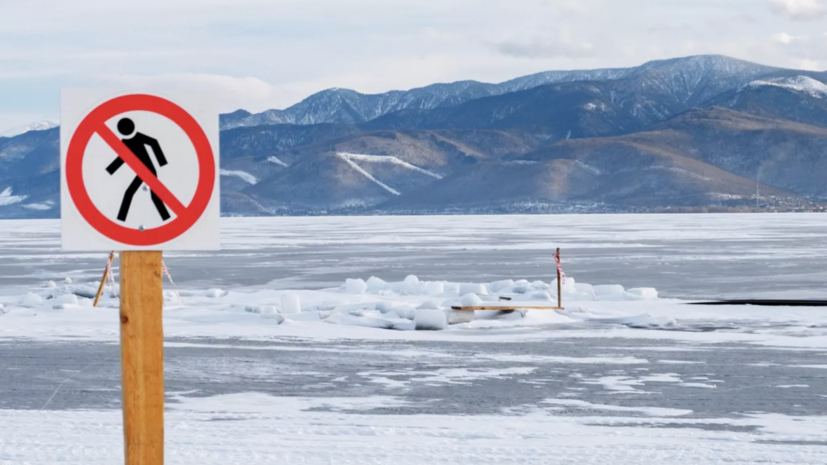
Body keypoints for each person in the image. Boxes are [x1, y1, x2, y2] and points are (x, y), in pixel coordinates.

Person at [106, 117, 170, 222]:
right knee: (131, 193)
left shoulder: (137, 137)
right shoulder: (125, 142)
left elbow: (153, 142)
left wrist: (162, 162)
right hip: (142, 172)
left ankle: (121, 218)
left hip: (149, 171)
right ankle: (121, 219)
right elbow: (122, 158)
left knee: (142, 195)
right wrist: (110, 170)